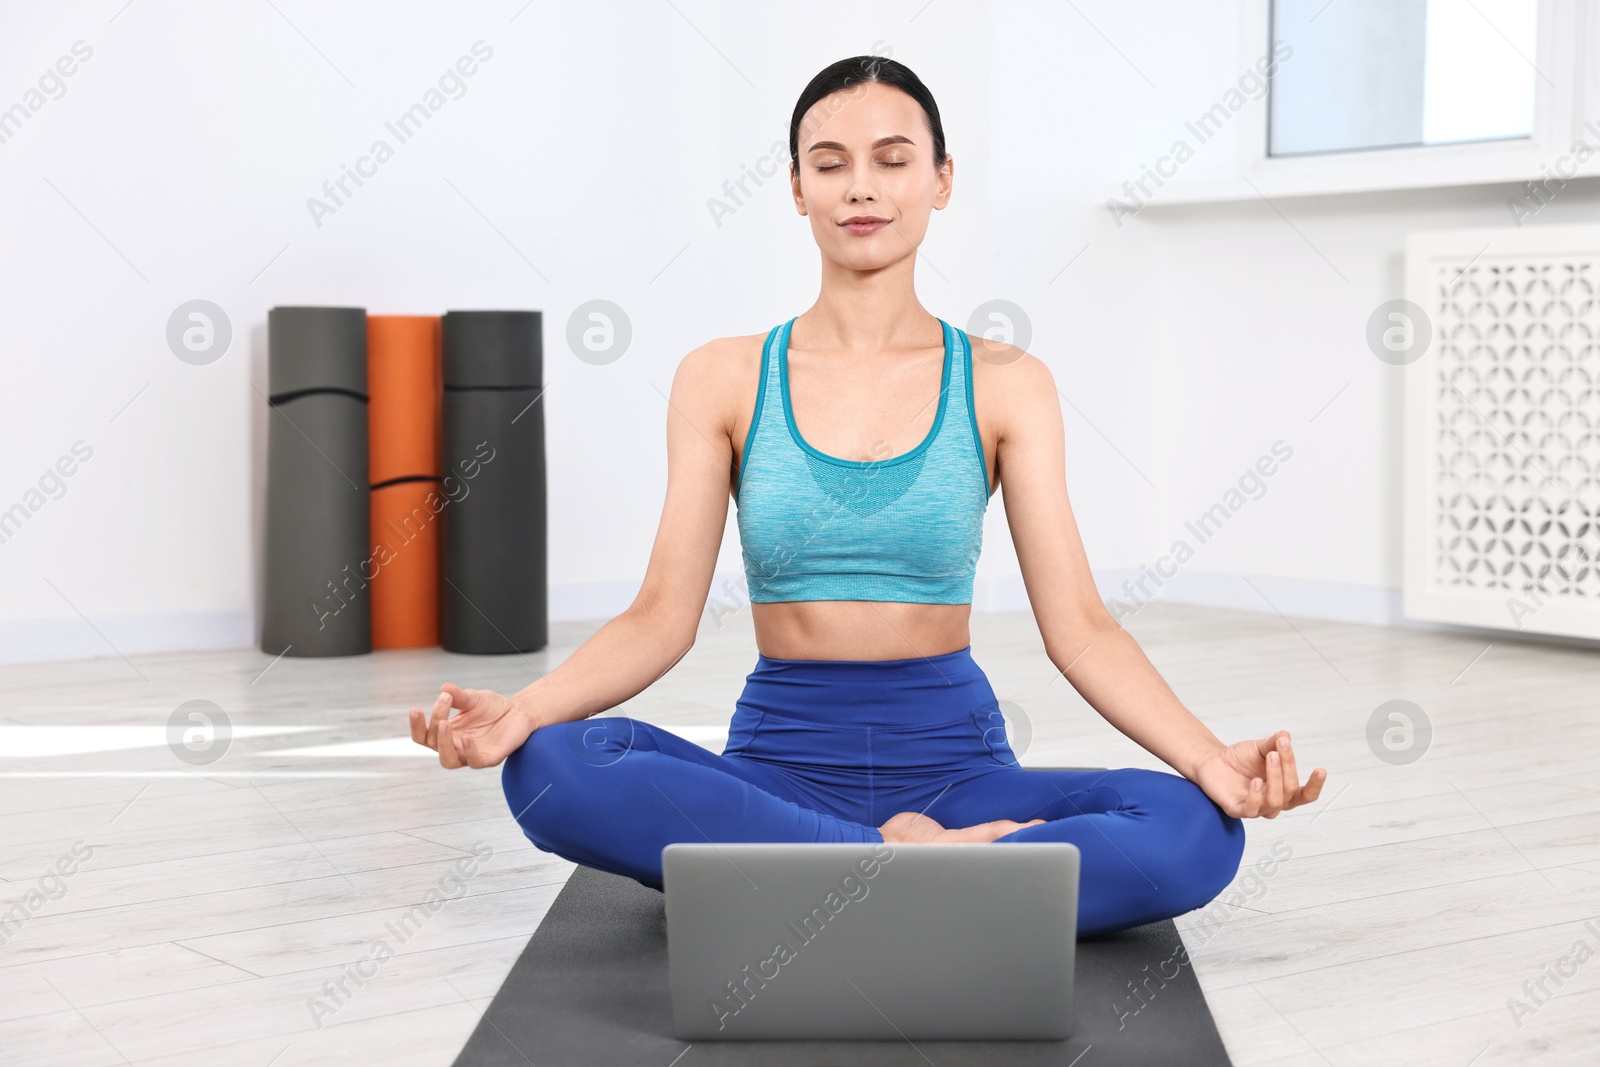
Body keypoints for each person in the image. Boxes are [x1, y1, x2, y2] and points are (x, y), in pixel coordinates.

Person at [408, 55, 1327, 937]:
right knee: (554, 766)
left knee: (1195, 827)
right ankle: (938, 871)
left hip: (958, 770)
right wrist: (525, 711)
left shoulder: (1007, 382)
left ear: (941, 179)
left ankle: (820, 878)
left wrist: (1211, 760)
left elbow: (1081, 628)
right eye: (830, 163)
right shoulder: (722, 377)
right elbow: (659, 617)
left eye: (893, 160)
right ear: (797, 187)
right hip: (780, 767)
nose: (861, 187)